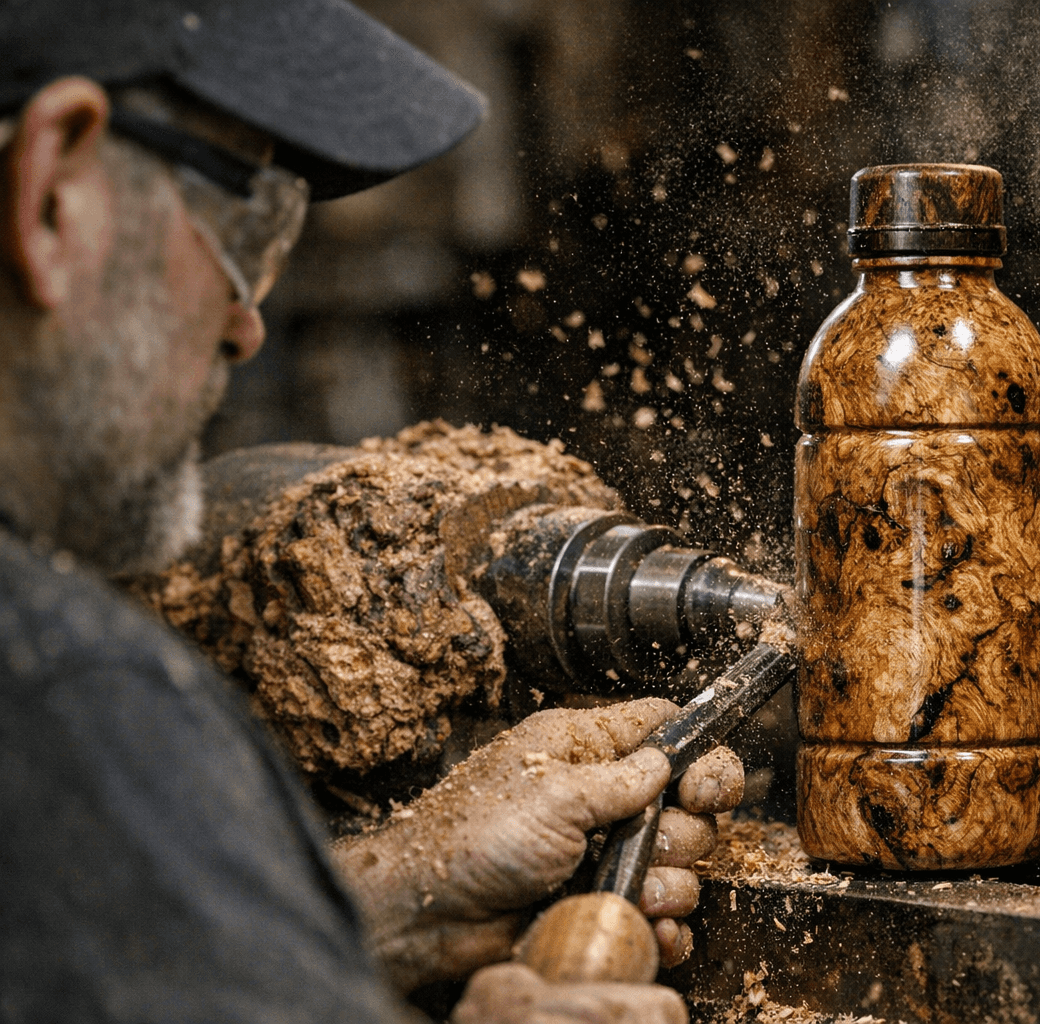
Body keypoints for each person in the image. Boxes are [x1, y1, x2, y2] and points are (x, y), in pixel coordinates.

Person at [0, 2, 738, 1021]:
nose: (246, 323)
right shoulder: (69, 700)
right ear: (53, 194)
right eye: (247, 229)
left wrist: (401, 892)